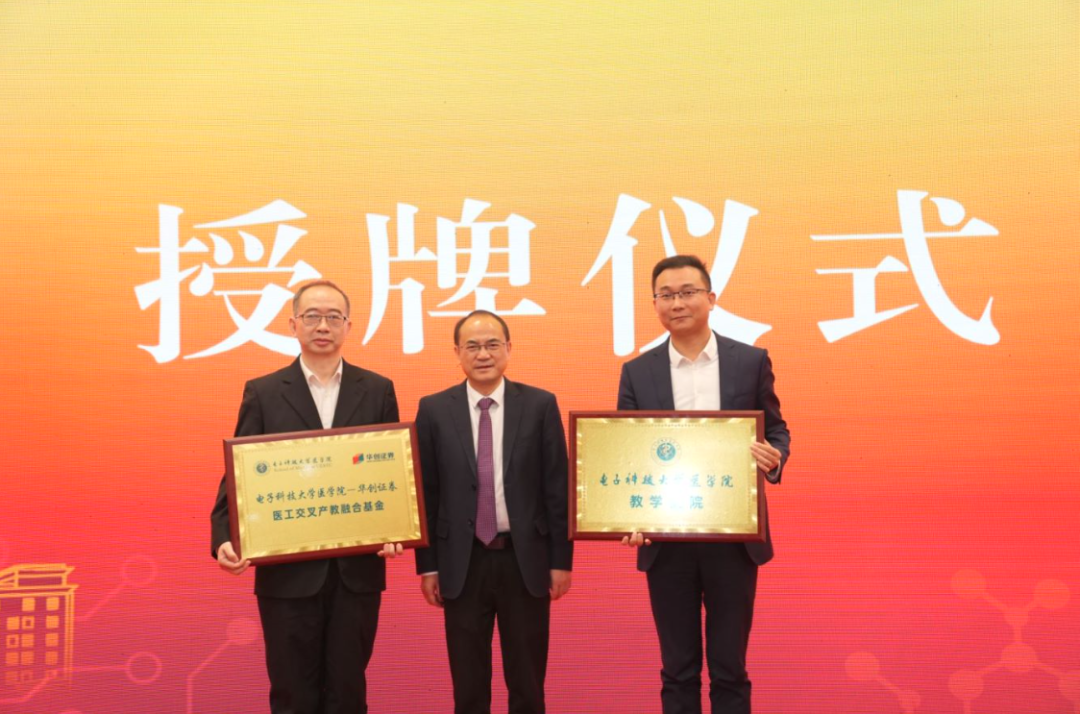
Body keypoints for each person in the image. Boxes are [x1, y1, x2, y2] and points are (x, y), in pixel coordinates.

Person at [210, 280, 402, 714]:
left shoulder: (377, 389)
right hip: (287, 572)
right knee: (292, 693)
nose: (323, 326)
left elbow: (391, 471)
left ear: (349, 326)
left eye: (334, 317)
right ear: (293, 324)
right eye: (312, 316)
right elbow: (239, 474)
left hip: (356, 572)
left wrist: (397, 528)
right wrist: (224, 537)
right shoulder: (263, 391)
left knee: (348, 693)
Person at [618, 255, 791, 714]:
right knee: (678, 670)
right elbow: (625, 449)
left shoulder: (750, 361)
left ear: (711, 298)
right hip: (666, 537)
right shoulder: (637, 371)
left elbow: (776, 429)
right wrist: (626, 514)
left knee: (729, 668)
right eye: (666, 295)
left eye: (688, 292)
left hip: (733, 535)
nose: (677, 303)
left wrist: (774, 459)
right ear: (655, 304)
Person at [414, 310, 573, 714]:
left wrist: (560, 561)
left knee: (527, 682)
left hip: (524, 560)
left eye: (492, 345)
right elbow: (426, 492)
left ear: (508, 349)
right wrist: (428, 566)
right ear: (457, 352)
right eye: (472, 346)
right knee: (468, 684)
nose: (482, 354)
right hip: (461, 562)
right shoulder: (433, 409)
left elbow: (557, 488)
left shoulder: (539, 405)